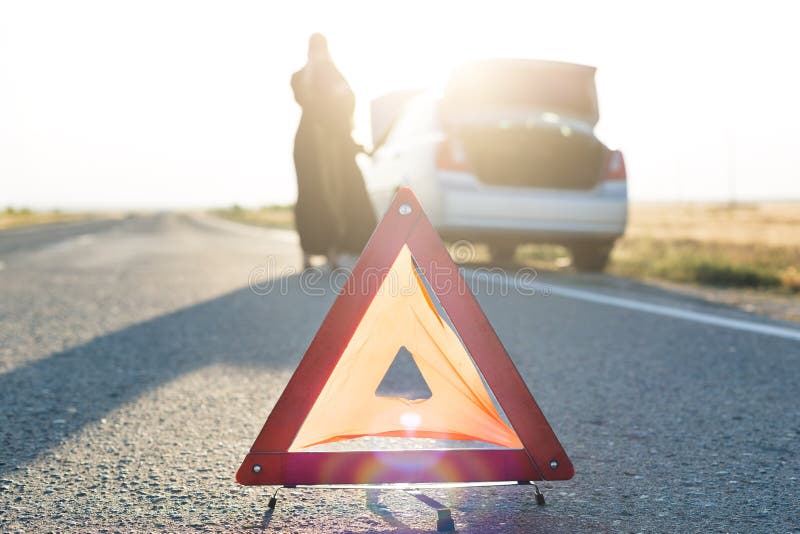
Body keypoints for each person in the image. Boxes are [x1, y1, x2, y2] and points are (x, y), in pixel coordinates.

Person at [291, 33, 376, 269]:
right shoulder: (299, 76)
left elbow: (348, 102)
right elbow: (304, 96)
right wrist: (312, 67)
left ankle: (334, 251)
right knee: (310, 196)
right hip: (308, 146)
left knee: (339, 195)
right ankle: (307, 253)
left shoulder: (335, 75)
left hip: (334, 145)